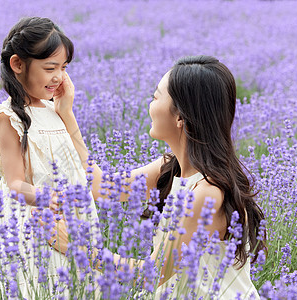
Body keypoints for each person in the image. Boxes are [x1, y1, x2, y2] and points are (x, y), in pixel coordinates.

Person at [46, 55, 267, 299]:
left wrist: (77, 248)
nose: (149, 105)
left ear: (181, 117)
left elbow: (151, 274)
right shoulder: (171, 167)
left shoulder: (206, 193)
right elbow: (102, 186)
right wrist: (66, 112)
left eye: (155, 97)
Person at [0, 17, 100, 299]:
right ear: (18, 65)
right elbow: (15, 185)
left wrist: (67, 111)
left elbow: (83, 165)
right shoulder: (9, 117)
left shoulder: (54, 109)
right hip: (38, 227)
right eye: (50, 68)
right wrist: (48, 197)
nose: (58, 76)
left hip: (72, 221)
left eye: (64, 68)